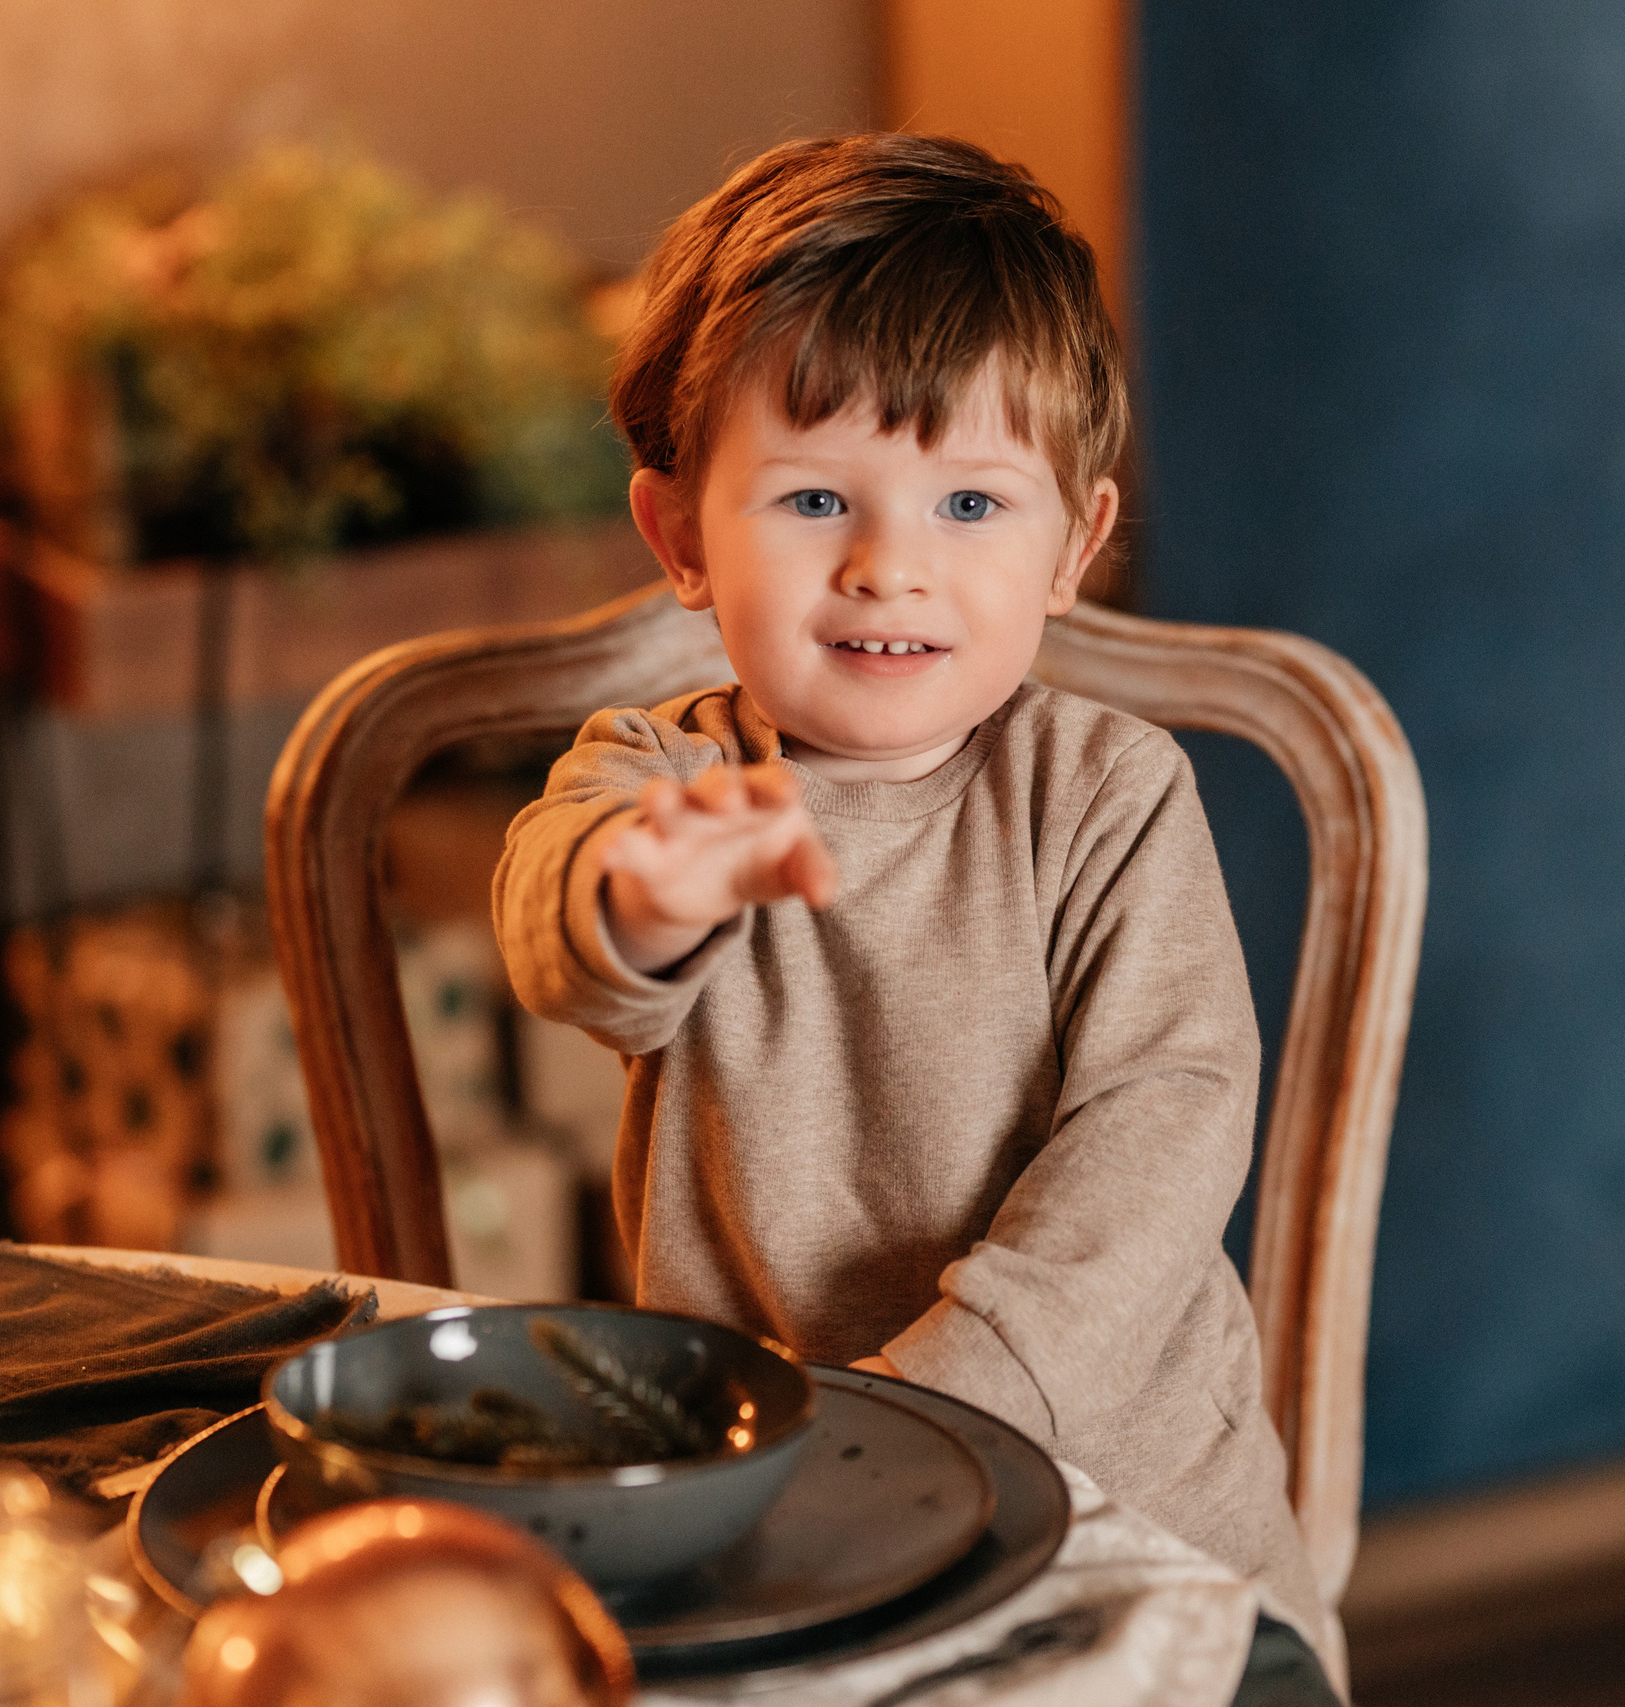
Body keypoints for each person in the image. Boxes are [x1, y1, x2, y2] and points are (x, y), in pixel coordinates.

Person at [493, 132, 1336, 1698]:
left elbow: (1169, 1122)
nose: (891, 568)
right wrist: (641, 892)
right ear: (680, 535)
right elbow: (566, 928)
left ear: (1074, 545)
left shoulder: (1106, 790)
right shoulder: (665, 777)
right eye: (818, 497)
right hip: (780, 1517)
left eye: (969, 502)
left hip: (1132, 1529)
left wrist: (942, 1401)